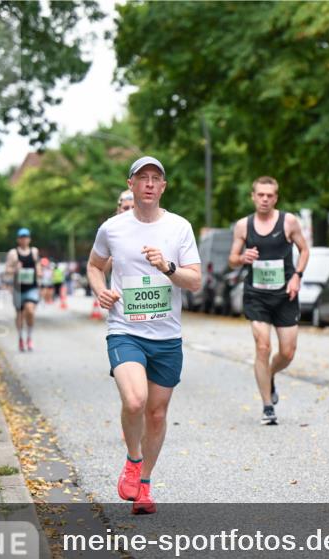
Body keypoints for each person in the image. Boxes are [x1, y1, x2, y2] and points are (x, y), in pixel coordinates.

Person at [87, 156, 201, 515]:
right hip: (125, 330)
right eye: (142, 178)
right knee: (135, 401)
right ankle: (133, 460)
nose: (149, 183)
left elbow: (195, 281)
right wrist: (99, 289)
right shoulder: (112, 228)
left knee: (156, 412)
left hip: (166, 335)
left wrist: (167, 267)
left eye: (156, 178)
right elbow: (93, 265)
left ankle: (145, 484)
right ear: (131, 185)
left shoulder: (179, 227)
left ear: (163, 187)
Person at [228, 176, 310, 426]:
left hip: (286, 294)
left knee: (287, 352)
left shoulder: (289, 221)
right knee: (263, 347)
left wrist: (297, 276)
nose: (264, 199)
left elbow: (304, 250)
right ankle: (267, 406)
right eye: (260, 195)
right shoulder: (244, 225)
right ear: (253, 196)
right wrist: (242, 258)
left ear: (276, 197)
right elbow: (232, 258)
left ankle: (271, 374)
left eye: (269, 195)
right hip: (256, 295)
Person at [4, 228, 41, 352]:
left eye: (26, 237)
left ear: (29, 239)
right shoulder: (13, 253)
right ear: (18, 239)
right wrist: (15, 269)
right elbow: (7, 270)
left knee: (30, 311)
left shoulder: (34, 251)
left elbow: (38, 266)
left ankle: (29, 337)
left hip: (31, 287)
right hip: (18, 288)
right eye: (21, 237)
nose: (24, 239)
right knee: (19, 315)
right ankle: (20, 338)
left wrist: (39, 273)